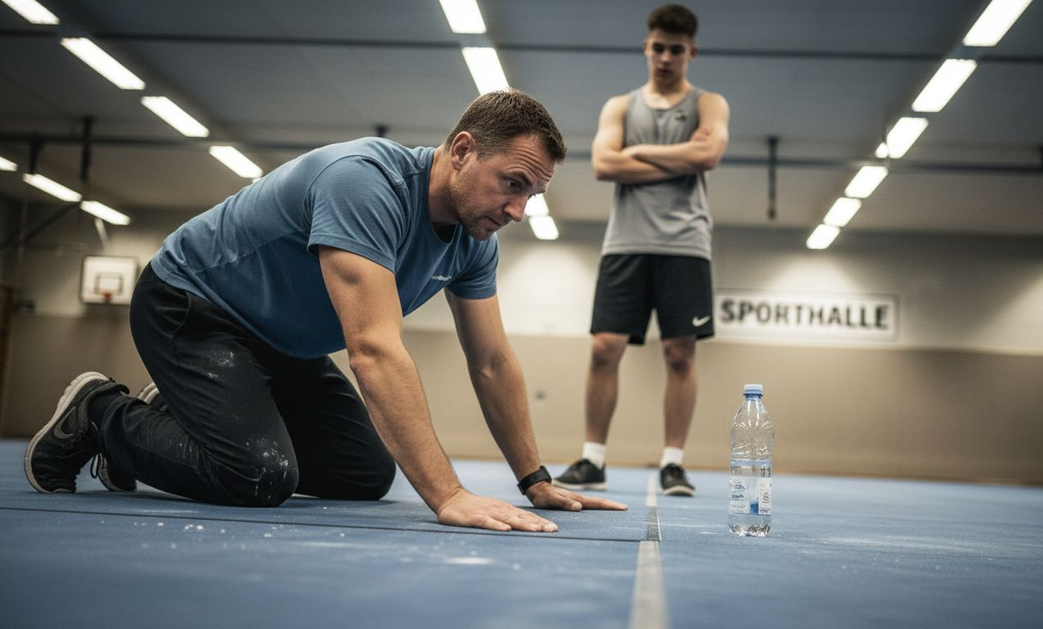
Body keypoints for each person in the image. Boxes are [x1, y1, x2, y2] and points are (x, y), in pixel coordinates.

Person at [25, 89, 626, 532]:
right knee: (258, 477)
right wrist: (448, 495)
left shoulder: (476, 240)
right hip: (195, 307)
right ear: (463, 150)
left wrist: (534, 480)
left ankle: (184, 411)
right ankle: (100, 414)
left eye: (532, 194)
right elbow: (372, 350)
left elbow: (492, 362)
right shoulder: (363, 183)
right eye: (513, 183)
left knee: (363, 475)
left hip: (284, 343)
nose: (518, 210)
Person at [553, 5, 729, 496]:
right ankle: (593, 459)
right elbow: (604, 166)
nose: (666, 57)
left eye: (676, 49)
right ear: (646, 47)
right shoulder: (620, 106)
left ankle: (673, 463)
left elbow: (710, 154)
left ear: (691, 52)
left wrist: (637, 152)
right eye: (658, 47)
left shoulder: (708, 104)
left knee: (679, 353)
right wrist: (680, 159)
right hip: (625, 243)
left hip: (686, 244)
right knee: (604, 347)